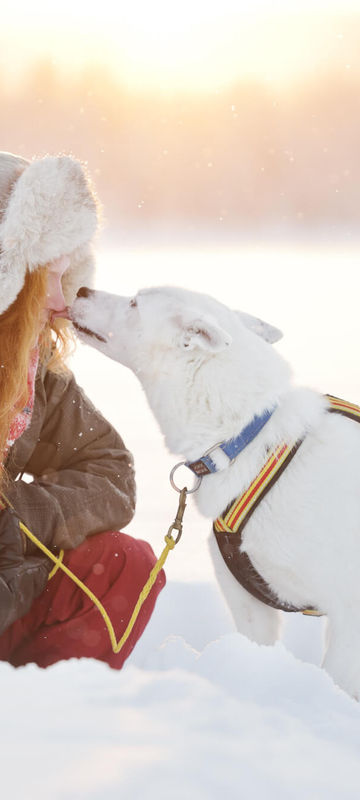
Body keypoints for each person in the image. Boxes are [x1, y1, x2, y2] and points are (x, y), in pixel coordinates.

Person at [0, 151, 165, 669]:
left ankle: (56, 709)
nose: (59, 302)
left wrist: (19, 516)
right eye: (44, 277)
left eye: (64, 275)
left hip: (9, 598)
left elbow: (111, 471)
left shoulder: (32, 368)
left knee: (124, 565)